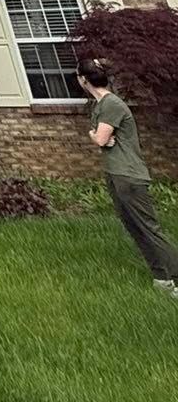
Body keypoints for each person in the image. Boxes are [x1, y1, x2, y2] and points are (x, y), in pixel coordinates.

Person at [76, 58, 178, 295]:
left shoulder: (111, 104)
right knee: (134, 227)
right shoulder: (100, 105)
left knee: (149, 228)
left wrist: (93, 134)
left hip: (129, 175)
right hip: (116, 173)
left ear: (84, 80)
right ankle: (162, 278)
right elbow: (106, 139)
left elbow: (101, 139)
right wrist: (101, 136)